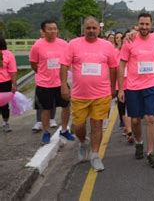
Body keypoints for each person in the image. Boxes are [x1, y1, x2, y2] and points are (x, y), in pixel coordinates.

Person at [60, 17, 117, 172]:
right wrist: (64, 85)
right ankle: (83, 142)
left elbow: (113, 68)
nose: (91, 31)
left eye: (94, 28)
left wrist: (113, 87)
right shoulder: (73, 44)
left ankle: (95, 155)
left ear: (99, 29)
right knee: (79, 126)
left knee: (97, 124)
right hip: (79, 95)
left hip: (102, 94)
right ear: (83, 29)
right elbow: (64, 65)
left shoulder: (107, 46)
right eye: (88, 28)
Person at [118, 13, 154, 168]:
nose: (144, 27)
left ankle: (151, 152)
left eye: (147, 24)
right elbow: (122, 65)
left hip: (151, 85)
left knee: (151, 118)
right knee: (136, 120)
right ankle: (139, 142)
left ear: (151, 25)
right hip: (133, 87)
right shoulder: (130, 41)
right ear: (137, 25)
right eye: (141, 24)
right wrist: (120, 89)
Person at [29, 20, 75, 144]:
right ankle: (46, 132)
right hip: (44, 84)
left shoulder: (64, 44)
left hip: (61, 83)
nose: (53, 31)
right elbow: (34, 64)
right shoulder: (37, 46)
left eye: (55, 28)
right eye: (49, 29)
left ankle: (64, 130)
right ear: (43, 31)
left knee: (66, 106)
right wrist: (44, 73)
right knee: (46, 109)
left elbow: (69, 61)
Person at [114, 31, 133, 144]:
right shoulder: (115, 52)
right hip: (119, 86)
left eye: (128, 39)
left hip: (131, 85)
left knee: (129, 109)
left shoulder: (133, 52)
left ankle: (129, 131)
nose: (126, 41)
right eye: (123, 39)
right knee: (122, 109)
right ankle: (127, 127)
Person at [0, 37, 17, 133]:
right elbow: (13, 71)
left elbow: (13, 70)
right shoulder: (9, 54)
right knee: (4, 105)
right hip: (5, 83)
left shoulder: (7, 54)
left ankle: (6, 123)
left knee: (4, 105)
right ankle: (6, 123)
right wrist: (14, 84)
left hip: (4, 83)